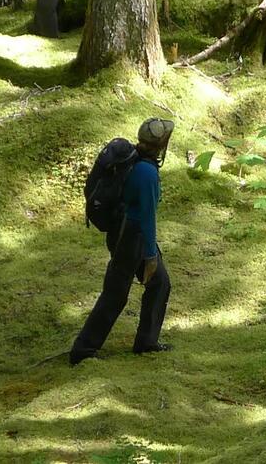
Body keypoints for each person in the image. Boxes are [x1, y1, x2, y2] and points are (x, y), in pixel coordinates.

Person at [70, 118, 175, 364]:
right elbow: (147, 217)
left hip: (121, 233)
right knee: (116, 293)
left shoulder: (134, 160)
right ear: (161, 144)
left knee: (159, 283)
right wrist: (150, 256)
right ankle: (83, 350)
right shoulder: (147, 172)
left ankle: (146, 342)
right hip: (132, 238)